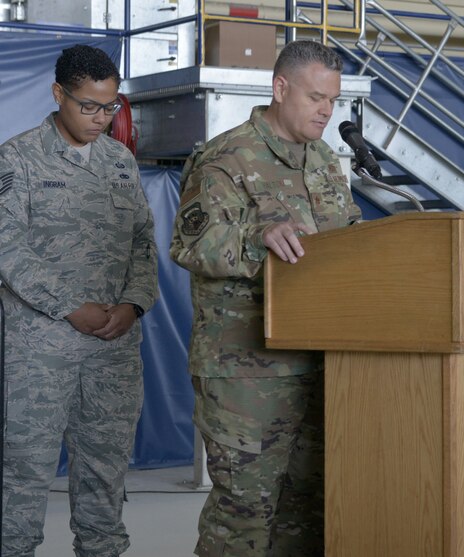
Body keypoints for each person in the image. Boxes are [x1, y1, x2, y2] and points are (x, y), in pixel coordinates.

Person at [170, 39, 362, 556]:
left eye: (333, 100)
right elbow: (191, 243)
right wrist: (259, 239)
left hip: (318, 364)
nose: (326, 110)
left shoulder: (325, 160)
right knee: (244, 515)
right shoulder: (226, 158)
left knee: (308, 511)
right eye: (316, 97)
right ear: (280, 88)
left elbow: (346, 241)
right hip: (245, 375)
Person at [0, 44, 158, 556]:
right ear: (58, 94)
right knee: (22, 473)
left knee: (105, 475)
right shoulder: (17, 157)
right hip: (40, 350)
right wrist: (69, 305)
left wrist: (133, 305)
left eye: (110, 106)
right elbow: (7, 247)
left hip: (112, 349)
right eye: (88, 105)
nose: (100, 118)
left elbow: (143, 242)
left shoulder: (120, 161)